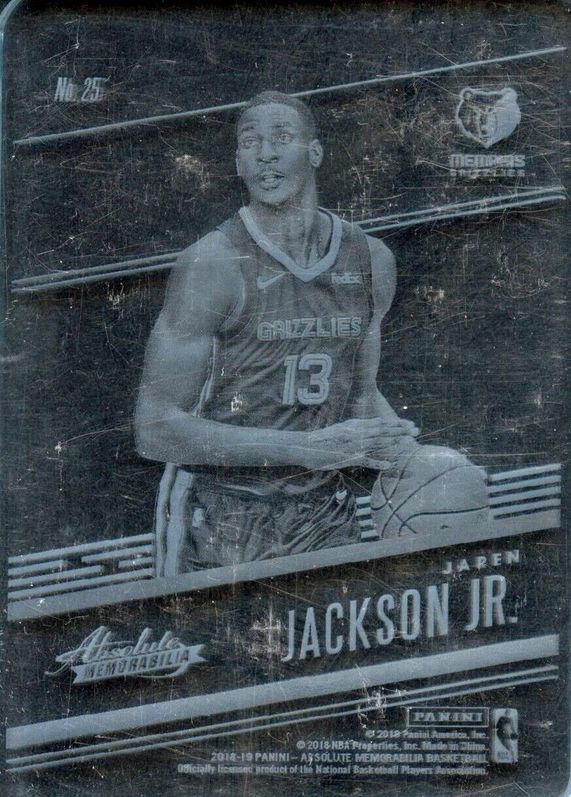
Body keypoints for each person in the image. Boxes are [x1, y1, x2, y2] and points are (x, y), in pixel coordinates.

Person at [135, 91, 489, 577]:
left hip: (324, 510)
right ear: (238, 164)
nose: (266, 153)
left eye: (282, 138)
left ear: (315, 152)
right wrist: (305, 448)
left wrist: (419, 462)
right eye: (250, 142)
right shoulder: (214, 263)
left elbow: (359, 394)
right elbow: (155, 428)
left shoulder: (370, 260)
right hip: (222, 514)